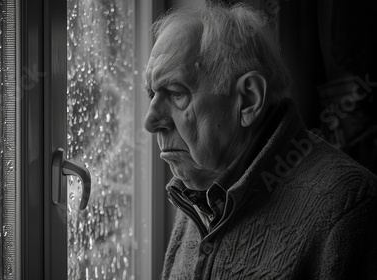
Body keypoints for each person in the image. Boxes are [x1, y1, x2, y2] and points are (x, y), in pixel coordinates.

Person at [143, 3, 377, 279]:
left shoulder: (349, 208)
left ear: (248, 100)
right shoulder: (199, 193)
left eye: (175, 93)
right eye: (151, 95)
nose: (150, 121)